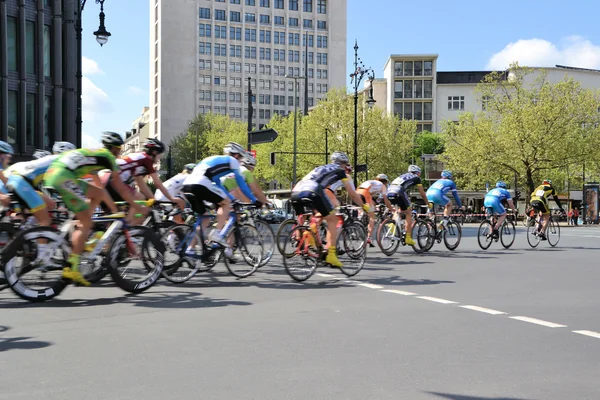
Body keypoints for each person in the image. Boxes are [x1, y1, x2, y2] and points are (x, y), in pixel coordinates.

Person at [43, 132, 144, 286]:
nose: (120, 152)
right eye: (120, 148)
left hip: (54, 173)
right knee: (86, 222)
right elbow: (121, 187)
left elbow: (100, 188)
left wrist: (113, 210)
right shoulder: (108, 158)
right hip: (63, 176)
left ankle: (80, 230)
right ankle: (73, 267)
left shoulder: (95, 155)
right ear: (115, 149)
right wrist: (136, 205)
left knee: (97, 196)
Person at [290, 151, 367, 268]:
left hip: (296, 190)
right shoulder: (340, 171)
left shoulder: (322, 168)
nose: (346, 166)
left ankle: (303, 239)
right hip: (313, 190)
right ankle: (331, 255)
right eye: (345, 164)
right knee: (333, 220)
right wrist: (363, 205)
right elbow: (352, 193)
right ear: (342, 164)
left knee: (307, 216)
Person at [182, 142, 258, 248]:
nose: (240, 161)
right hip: (200, 182)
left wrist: (232, 198)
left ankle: (190, 249)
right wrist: (254, 200)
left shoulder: (216, 161)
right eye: (240, 158)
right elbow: (242, 185)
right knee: (225, 203)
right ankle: (217, 233)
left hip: (186, 185)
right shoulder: (232, 161)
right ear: (236, 155)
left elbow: (219, 185)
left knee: (204, 219)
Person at [100, 138, 185, 216]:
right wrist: (171, 198)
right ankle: (129, 227)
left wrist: (153, 199)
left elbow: (140, 183)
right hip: (114, 181)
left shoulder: (138, 158)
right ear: (154, 152)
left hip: (105, 179)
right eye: (160, 155)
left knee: (118, 213)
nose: (159, 158)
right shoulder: (146, 159)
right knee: (140, 202)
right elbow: (157, 183)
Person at [0, 142, 77, 228]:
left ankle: (28, 227)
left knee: (49, 204)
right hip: (17, 183)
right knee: (45, 219)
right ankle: (31, 233)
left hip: (17, 183)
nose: (9, 159)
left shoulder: (52, 161)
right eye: (8, 156)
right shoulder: (60, 162)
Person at [387, 165, 428, 245]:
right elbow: (422, 194)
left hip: (390, 190)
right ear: (417, 172)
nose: (419, 174)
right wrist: (427, 203)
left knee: (399, 209)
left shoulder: (403, 176)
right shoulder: (416, 178)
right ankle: (408, 238)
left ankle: (392, 225)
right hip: (399, 190)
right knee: (408, 212)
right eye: (419, 173)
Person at [357, 174, 395, 246]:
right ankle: (369, 237)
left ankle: (359, 219)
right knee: (372, 216)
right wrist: (391, 208)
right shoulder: (382, 186)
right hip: (365, 193)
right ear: (386, 182)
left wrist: (373, 205)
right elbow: (386, 200)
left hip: (357, 192)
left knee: (368, 208)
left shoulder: (372, 182)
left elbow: (370, 198)